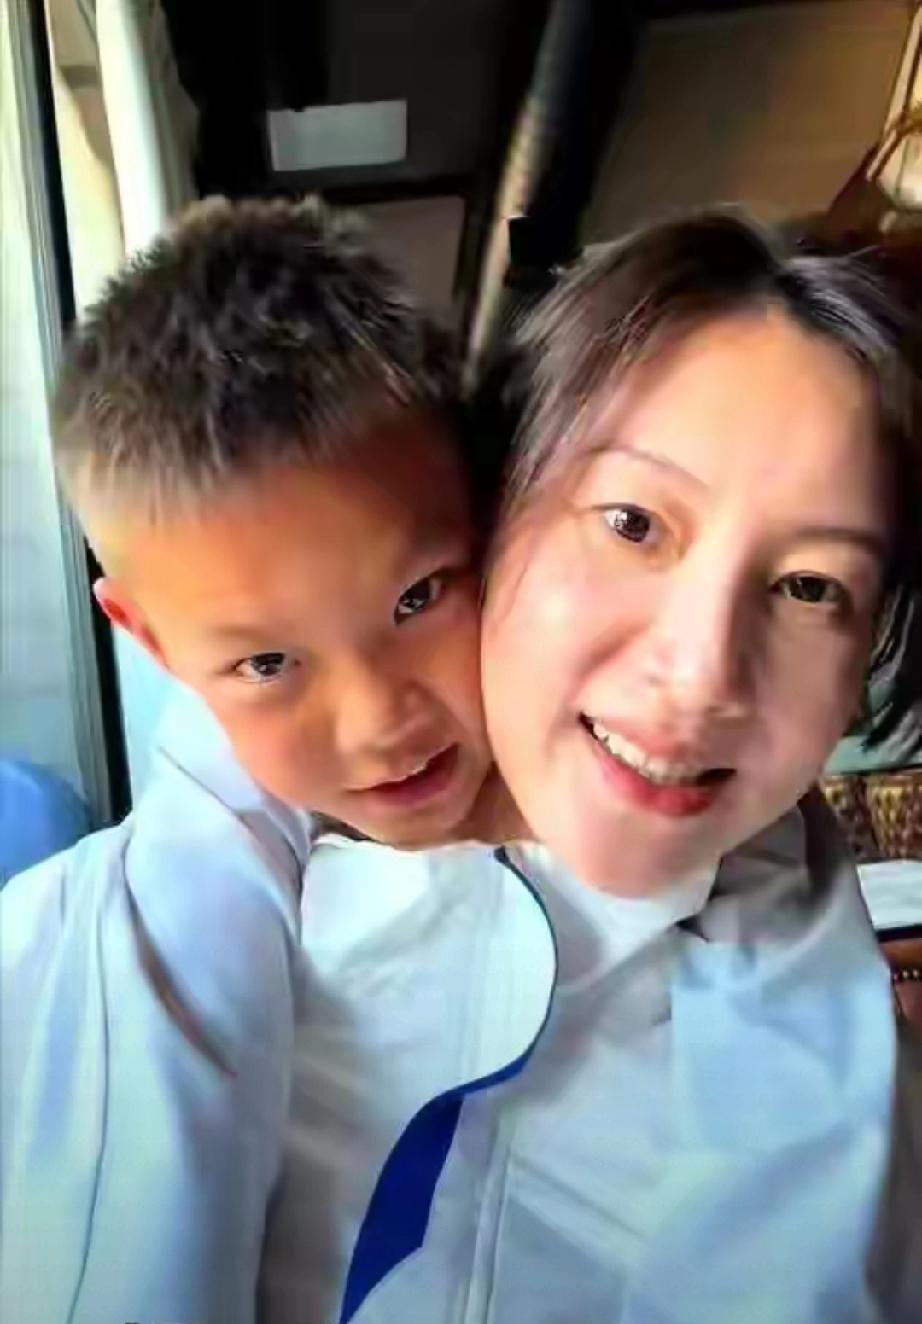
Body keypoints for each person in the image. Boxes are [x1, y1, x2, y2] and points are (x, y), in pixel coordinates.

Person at [2, 203, 919, 1324]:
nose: (699, 675)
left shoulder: (850, 1124)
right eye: (632, 522)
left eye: (813, 586)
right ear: (504, 500)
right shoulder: (66, 976)